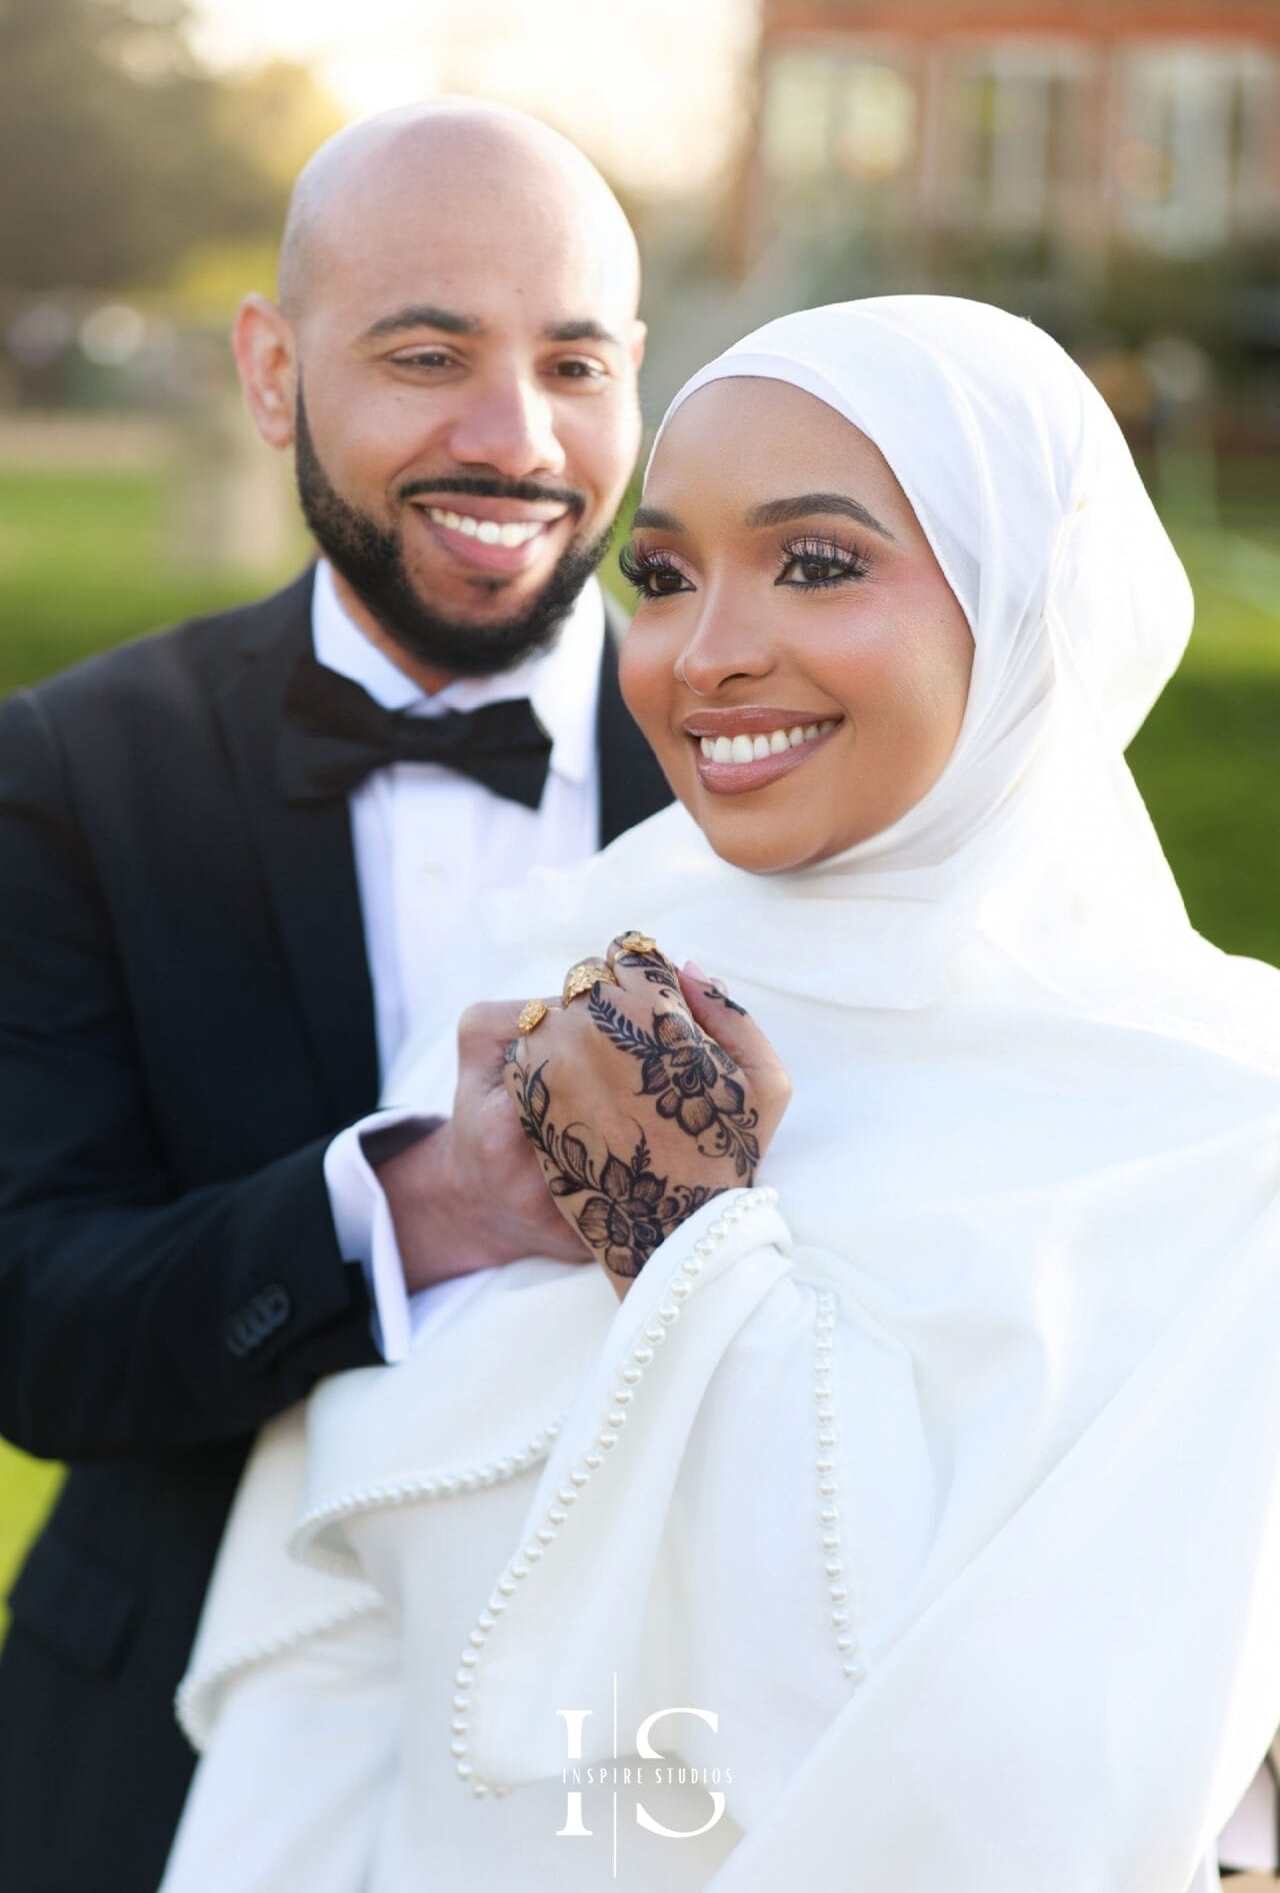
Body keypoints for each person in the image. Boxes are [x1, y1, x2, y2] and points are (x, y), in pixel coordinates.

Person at [163, 296, 1280, 1892]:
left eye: (816, 562)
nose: (703, 651)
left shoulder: (1232, 1137)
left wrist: (686, 1251)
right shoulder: (551, 997)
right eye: (664, 577)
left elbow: (1044, 1780)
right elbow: (321, 1641)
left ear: (1030, 600)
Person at [0, 100, 671, 1893]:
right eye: (429, 355)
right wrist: (418, 1205)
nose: (515, 438)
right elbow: (32, 1321)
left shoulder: (763, 765)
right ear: (277, 372)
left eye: (576, 362)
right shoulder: (69, 773)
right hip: (161, 1754)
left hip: (655, 1762)